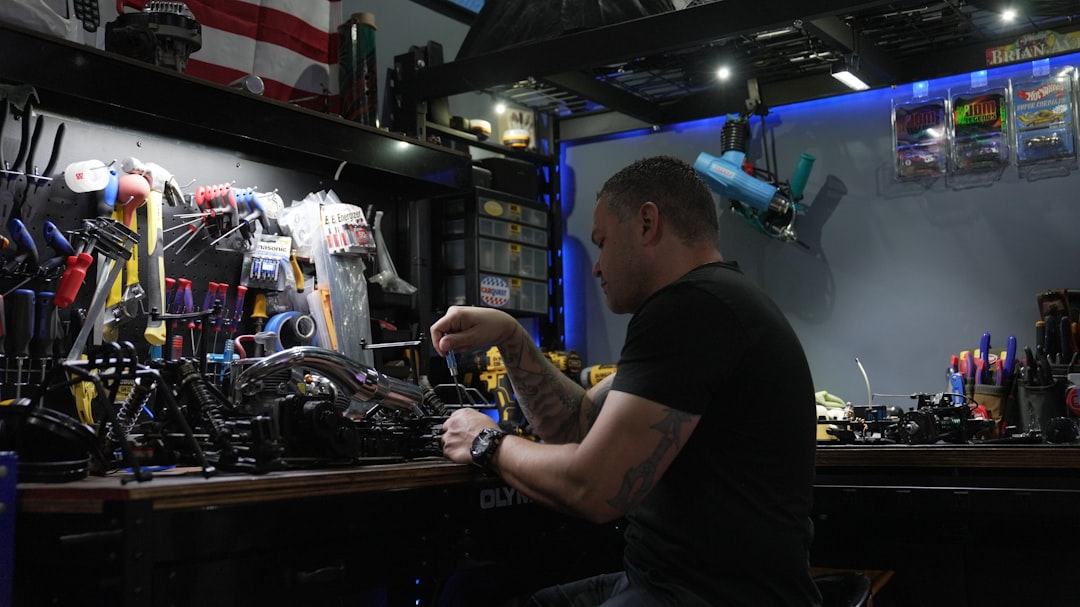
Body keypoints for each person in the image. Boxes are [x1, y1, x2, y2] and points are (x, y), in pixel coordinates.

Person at [431, 155, 821, 607]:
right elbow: (576, 424)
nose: (596, 267)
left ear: (647, 223)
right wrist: (511, 337)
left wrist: (486, 442)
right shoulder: (714, 303)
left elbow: (594, 488)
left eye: (602, 243)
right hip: (667, 581)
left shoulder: (691, 308)